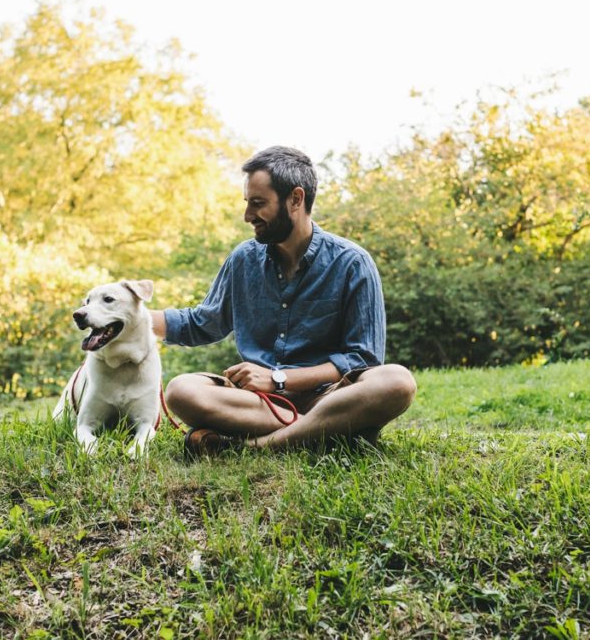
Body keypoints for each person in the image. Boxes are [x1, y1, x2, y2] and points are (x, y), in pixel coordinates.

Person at [150, 146, 416, 455]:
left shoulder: (352, 263)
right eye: (248, 203)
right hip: (257, 402)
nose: (248, 216)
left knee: (397, 382)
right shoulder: (243, 259)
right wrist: (129, 316)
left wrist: (278, 378)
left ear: (295, 199)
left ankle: (254, 446)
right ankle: (330, 432)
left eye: (258, 203)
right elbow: (201, 324)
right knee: (183, 390)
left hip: (329, 396)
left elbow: (363, 358)